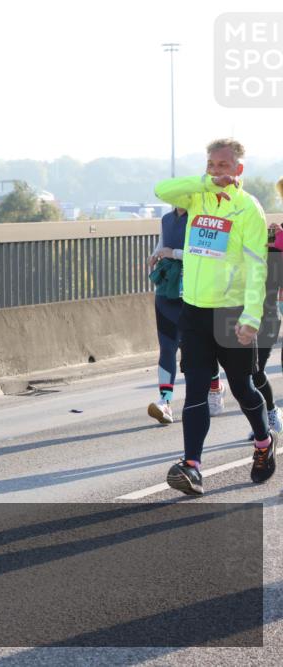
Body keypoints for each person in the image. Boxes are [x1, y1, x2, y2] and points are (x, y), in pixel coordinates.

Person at [154, 138, 276, 495]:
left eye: (223, 165)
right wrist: (205, 181)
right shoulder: (198, 196)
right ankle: (192, 466)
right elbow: (162, 189)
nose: (216, 171)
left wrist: (252, 316)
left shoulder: (248, 208)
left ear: (239, 169)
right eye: (211, 164)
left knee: (242, 387)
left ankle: (264, 442)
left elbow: (257, 266)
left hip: (231, 312)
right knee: (195, 390)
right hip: (194, 310)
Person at [147, 207, 187, 424]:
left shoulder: (201, 218)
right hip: (167, 289)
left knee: (197, 349)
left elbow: (204, 254)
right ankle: (165, 401)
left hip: (194, 291)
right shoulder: (166, 219)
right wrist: (156, 255)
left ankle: (214, 388)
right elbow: (162, 244)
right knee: (167, 347)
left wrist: (175, 253)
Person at [246, 220, 283, 439]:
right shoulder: (247, 257)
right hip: (246, 319)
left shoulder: (276, 255)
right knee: (250, 374)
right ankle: (265, 419)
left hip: (269, 318)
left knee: (257, 371)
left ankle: (270, 414)